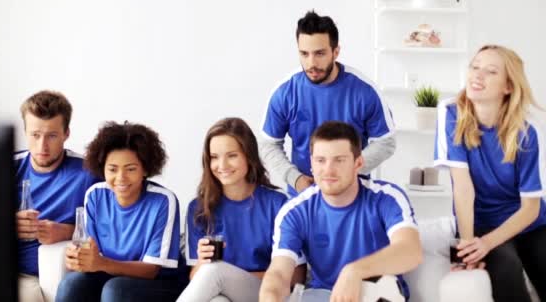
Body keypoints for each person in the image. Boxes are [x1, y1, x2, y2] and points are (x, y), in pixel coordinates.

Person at [259, 121, 421, 302]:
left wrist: (354, 271)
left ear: (358, 163)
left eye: (339, 160)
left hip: (377, 294)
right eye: (320, 160)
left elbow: (410, 250)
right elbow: (279, 273)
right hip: (323, 296)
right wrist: (270, 296)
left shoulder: (387, 198)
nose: (328, 170)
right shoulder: (294, 212)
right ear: (311, 163)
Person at [434, 44, 546, 302]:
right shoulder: (451, 113)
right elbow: (462, 189)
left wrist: (488, 243)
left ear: (508, 86)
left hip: (529, 223)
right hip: (481, 223)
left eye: (490, 71)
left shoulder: (528, 130)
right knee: (508, 270)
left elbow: (531, 207)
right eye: (475, 67)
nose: (477, 75)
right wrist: (469, 245)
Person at [260, 10, 396, 197]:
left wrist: (348, 173)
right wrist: (295, 178)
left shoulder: (364, 91)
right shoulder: (285, 92)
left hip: (354, 197)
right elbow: (269, 144)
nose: (311, 63)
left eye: (320, 53)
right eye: (304, 54)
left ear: (336, 52)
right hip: (303, 198)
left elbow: (385, 142)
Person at [177, 118, 305, 302]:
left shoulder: (278, 204)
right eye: (214, 157)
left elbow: (297, 275)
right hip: (221, 291)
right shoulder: (198, 209)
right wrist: (201, 263)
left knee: (216, 272)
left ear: (248, 156)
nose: (222, 165)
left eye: (232, 155)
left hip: (268, 293)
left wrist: (231, 277)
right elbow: (195, 278)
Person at [55, 121, 185, 302]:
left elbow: (151, 270)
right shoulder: (95, 195)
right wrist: (80, 259)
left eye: (130, 169)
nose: (121, 178)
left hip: (159, 282)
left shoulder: (163, 201)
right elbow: (92, 252)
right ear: (103, 168)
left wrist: (100, 263)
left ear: (145, 169)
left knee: (116, 289)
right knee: (72, 283)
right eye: (112, 169)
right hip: (111, 274)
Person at [16, 90, 99, 302]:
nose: (42, 146)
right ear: (25, 132)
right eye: (35, 135)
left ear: (66, 133)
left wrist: (67, 231)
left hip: (33, 276)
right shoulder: (4, 167)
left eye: (52, 136)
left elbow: (110, 233)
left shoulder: (88, 174)